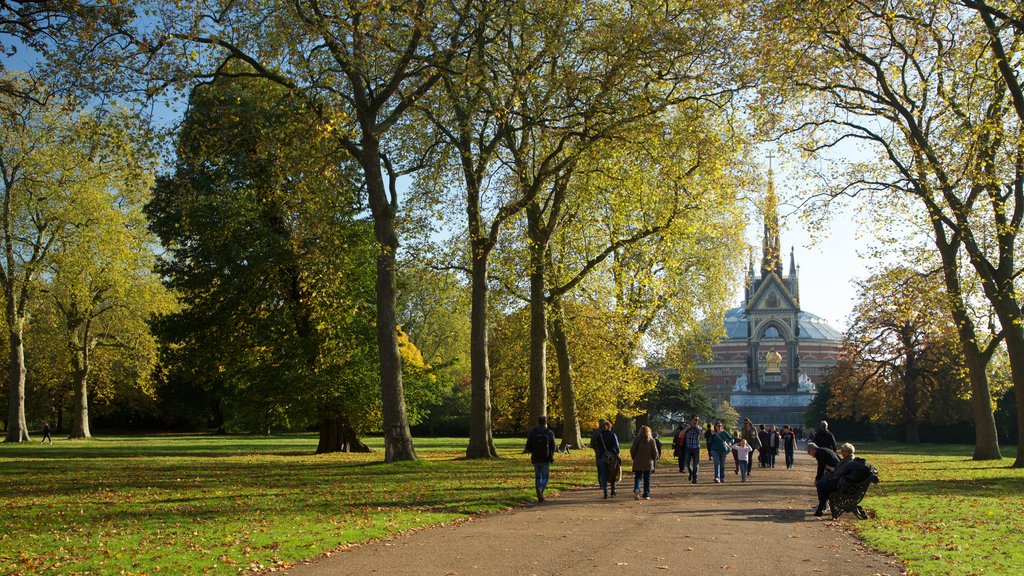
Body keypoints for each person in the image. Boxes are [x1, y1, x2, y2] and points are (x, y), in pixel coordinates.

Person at [813, 443, 871, 516]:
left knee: (821, 485)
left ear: (846, 452)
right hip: (846, 484)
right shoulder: (849, 459)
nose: (841, 452)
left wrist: (831, 474)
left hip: (843, 485)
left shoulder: (848, 461)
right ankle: (821, 507)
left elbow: (839, 473)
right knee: (822, 483)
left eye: (842, 450)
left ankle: (821, 508)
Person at [525, 416, 556, 502]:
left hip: (535, 457)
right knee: (545, 476)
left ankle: (538, 490)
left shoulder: (533, 432)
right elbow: (553, 446)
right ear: (546, 422)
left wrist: (532, 452)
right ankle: (541, 489)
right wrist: (552, 456)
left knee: (538, 476)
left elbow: (528, 444)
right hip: (545, 458)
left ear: (538, 422)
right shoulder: (549, 432)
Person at [590, 419, 620, 499]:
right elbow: (617, 446)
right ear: (610, 427)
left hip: (601, 456)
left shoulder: (598, 435)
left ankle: (605, 491)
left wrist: (598, 452)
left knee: (603, 474)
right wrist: (617, 453)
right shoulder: (613, 435)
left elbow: (594, 445)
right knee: (613, 473)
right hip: (611, 457)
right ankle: (613, 490)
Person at [630, 425, 659, 500]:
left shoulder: (637, 439)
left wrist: (634, 457)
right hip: (648, 462)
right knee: (647, 478)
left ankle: (637, 488)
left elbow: (632, 450)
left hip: (638, 461)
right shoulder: (652, 440)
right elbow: (655, 452)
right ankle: (646, 494)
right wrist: (654, 459)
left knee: (638, 477)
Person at [681, 415, 703, 484]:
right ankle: (691, 472)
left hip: (696, 447)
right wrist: (687, 428)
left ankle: (695, 478)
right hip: (688, 447)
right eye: (695, 419)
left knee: (696, 464)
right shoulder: (687, 427)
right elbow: (680, 435)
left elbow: (702, 437)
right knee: (687, 462)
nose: (696, 421)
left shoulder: (699, 428)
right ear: (691, 420)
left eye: (697, 420)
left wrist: (699, 430)